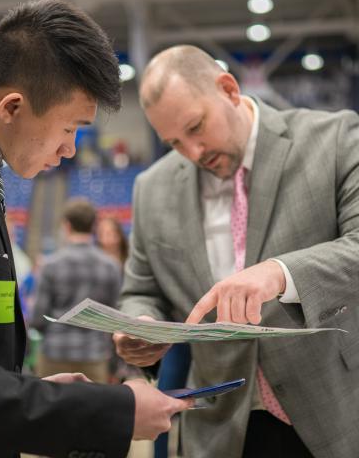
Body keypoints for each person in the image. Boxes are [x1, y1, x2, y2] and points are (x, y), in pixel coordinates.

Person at [0, 0, 192, 458]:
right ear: (12, 106)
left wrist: (38, 393)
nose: (69, 150)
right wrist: (106, 409)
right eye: (70, 128)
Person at [113, 45, 359, 458]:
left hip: (333, 416)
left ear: (228, 89)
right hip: (220, 430)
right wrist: (143, 323)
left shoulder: (335, 139)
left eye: (196, 127)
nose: (193, 153)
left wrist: (279, 273)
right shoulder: (151, 188)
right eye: (173, 142)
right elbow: (143, 290)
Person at [32, 198, 121, 384]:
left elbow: (38, 320)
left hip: (54, 355)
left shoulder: (50, 265)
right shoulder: (111, 266)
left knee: (51, 412)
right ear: (94, 226)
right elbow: (115, 320)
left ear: (67, 225)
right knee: (92, 412)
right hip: (94, 356)